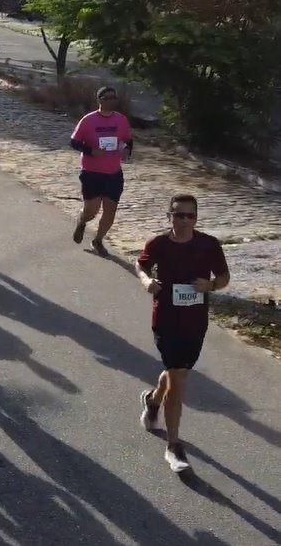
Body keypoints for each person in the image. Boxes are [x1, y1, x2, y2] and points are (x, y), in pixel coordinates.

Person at [135, 194, 230, 473]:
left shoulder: (209, 245)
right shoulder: (159, 244)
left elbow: (224, 278)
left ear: (196, 218)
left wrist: (210, 286)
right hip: (165, 319)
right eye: (179, 215)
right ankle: (173, 447)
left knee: (177, 373)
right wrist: (146, 280)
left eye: (190, 215)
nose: (184, 220)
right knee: (179, 376)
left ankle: (153, 400)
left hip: (195, 322)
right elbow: (140, 264)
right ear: (169, 217)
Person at [70, 86, 133, 257]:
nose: (112, 101)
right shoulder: (88, 120)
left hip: (113, 172)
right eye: (108, 98)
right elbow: (74, 142)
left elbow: (127, 140)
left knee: (110, 209)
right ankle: (82, 221)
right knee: (92, 210)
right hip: (92, 172)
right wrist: (91, 151)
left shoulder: (121, 120)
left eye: (114, 98)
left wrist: (127, 150)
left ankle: (98, 240)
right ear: (100, 100)